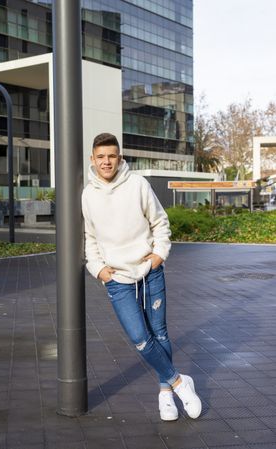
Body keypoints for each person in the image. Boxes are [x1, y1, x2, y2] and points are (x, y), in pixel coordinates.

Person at [82, 133, 202, 421]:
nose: (106, 161)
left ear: (119, 157)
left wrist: (160, 253)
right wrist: (98, 268)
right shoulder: (88, 194)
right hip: (117, 279)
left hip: (150, 272)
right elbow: (90, 236)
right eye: (101, 156)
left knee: (159, 333)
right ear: (93, 159)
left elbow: (160, 221)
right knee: (140, 338)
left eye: (112, 155)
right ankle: (178, 382)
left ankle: (165, 395)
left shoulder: (138, 185)